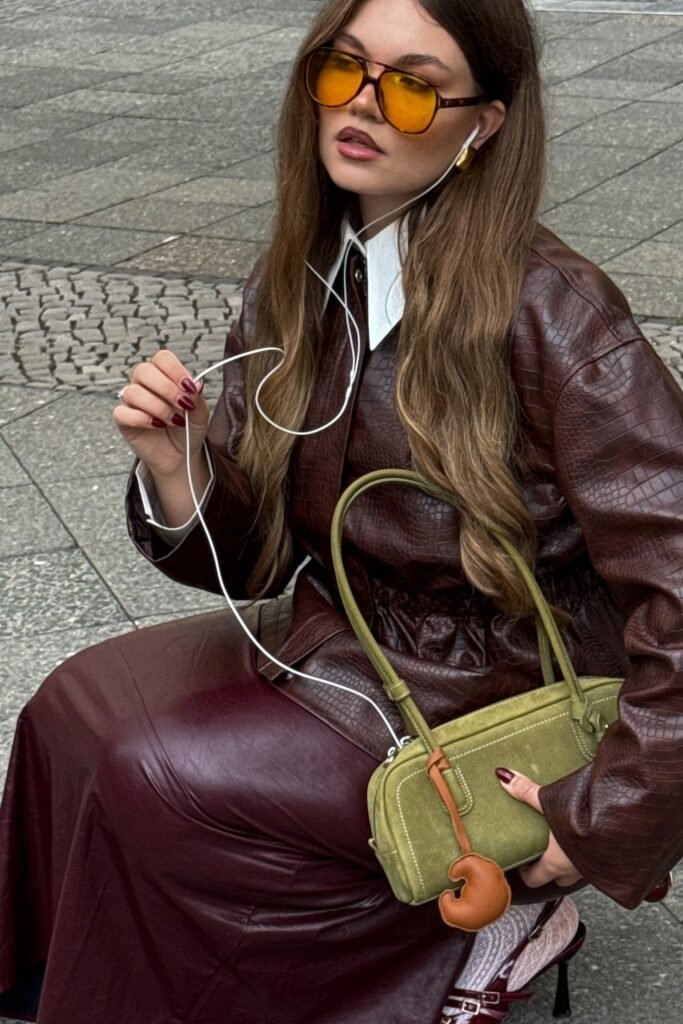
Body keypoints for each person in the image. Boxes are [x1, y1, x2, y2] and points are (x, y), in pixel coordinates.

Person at [1, 0, 682, 1021]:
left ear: (481, 123)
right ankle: (68, 985)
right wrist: (183, 469)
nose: (361, 105)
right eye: (343, 68)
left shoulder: (559, 319)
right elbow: (260, 560)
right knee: (68, 705)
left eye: (411, 86)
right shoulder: (304, 276)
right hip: (350, 634)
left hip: (491, 680)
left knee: (157, 771)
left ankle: (492, 925)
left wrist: (601, 821)